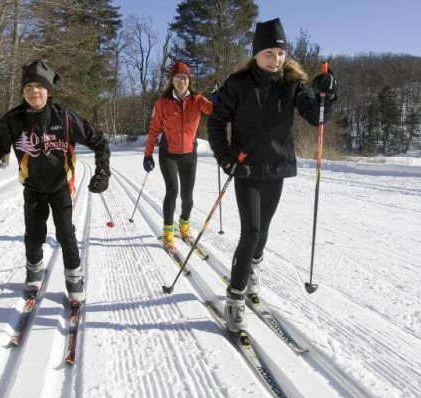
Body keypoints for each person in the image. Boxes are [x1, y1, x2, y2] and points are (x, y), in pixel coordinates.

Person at [208, 18, 338, 333]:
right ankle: (235, 299)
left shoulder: (291, 84)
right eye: (269, 53)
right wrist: (226, 159)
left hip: (277, 168)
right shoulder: (238, 85)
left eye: (280, 53)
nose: (275, 59)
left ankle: (252, 267)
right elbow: (215, 122)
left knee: (262, 232)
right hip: (246, 168)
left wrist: (327, 94)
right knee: (250, 232)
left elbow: (316, 117)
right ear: (256, 54)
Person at [0, 59, 110, 304]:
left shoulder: (65, 117)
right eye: (29, 87)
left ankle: (74, 278)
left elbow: (98, 140)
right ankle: (35, 270)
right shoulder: (13, 120)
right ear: (23, 92)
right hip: (33, 187)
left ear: (48, 91)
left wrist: (102, 173)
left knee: (65, 233)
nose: (34, 91)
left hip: (61, 185)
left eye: (39, 87)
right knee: (34, 234)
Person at [143, 61, 213, 248]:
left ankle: (183, 225)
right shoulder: (162, 103)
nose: (181, 81)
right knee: (172, 191)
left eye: (184, 77)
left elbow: (213, 110)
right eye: (177, 77)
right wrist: (147, 155)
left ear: (189, 79)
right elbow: (153, 129)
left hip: (189, 154)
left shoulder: (197, 99)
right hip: (169, 154)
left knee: (188, 195)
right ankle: (168, 232)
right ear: (172, 80)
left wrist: (218, 97)